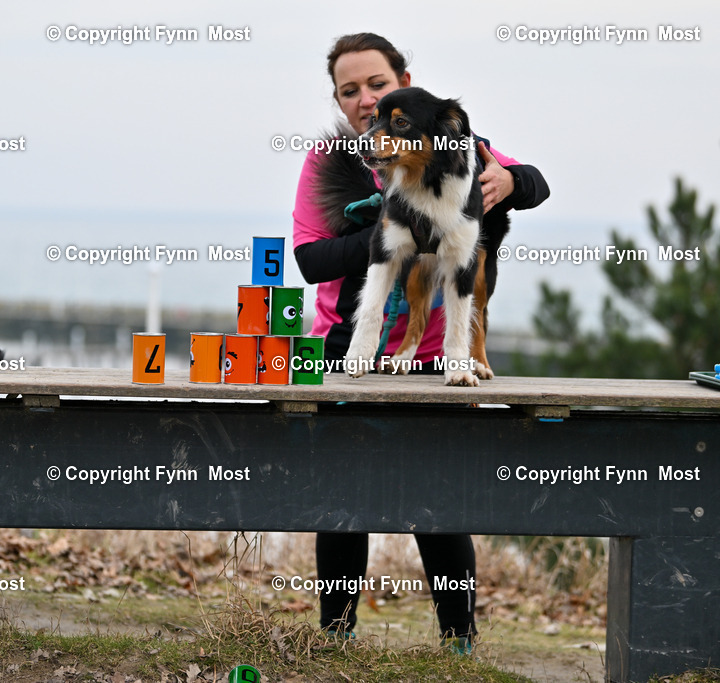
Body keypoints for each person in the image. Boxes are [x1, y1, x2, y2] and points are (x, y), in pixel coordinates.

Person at [291, 32, 550, 652]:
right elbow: (309, 261)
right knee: (342, 497)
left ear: (401, 80)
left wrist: (507, 183)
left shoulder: (448, 139)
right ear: (338, 100)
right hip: (345, 355)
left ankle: (459, 638)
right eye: (349, 91)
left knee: (439, 501)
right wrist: (394, 229)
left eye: (376, 84)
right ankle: (336, 633)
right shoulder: (328, 159)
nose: (364, 100)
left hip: (439, 357)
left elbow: (536, 184)